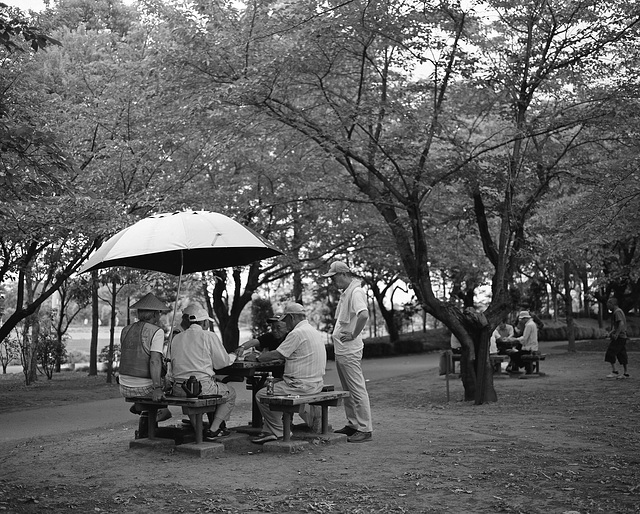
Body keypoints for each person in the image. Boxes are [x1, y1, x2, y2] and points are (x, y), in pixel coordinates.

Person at [251, 303, 327, 444]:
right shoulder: (312, 330)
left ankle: (280, 431)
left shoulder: (296, 333)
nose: (285, 323)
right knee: (270, 385)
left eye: (285, 320)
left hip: (299, 386)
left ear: (291, 317)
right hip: (316, 383)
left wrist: (257, 358)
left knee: (261, 395)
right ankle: (269, 430)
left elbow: (279, 354)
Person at [170, 305, 238, 441]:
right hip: (201, 387)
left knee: (189, 395)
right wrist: (233, 356)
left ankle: (199, 430)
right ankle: (214, 430)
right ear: (205, 322)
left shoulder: (177, 337)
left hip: (179, 388)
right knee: (230, 392)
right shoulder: (208, 336)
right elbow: (222, 362)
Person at [322, 261, 372, 443]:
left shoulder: (356, 292)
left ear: (343, 274)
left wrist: (353, 334)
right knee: (348, 389)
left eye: (334, 277)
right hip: (343, 350)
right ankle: (353, 425)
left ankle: (365, 429)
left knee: (356, 389)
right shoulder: (347, 292)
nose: (333, 281)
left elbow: (364, 315)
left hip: (349, 350)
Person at [118, 292, 172, 429]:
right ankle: (148, 417)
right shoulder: (156, 332)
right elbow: (155, 361)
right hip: (142, 387)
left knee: (157, 397)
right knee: (168, 395)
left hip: (124, 385)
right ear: (155, 314)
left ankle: (141, 408)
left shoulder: (125, 330)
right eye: (159, 313)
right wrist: (157, 388)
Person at [605, 297, 629, 379]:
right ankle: (626, 373)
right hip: (623, 336)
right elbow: (617, 326)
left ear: (612, 304)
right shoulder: (619, 311)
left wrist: (616, 334)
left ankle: (615, 371)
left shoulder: (617, 312)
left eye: (608, 304)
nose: (607, 306)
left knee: (610, 352)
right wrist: (611, 333)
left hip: (619, 337)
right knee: (622, 354)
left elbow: (621, 324)